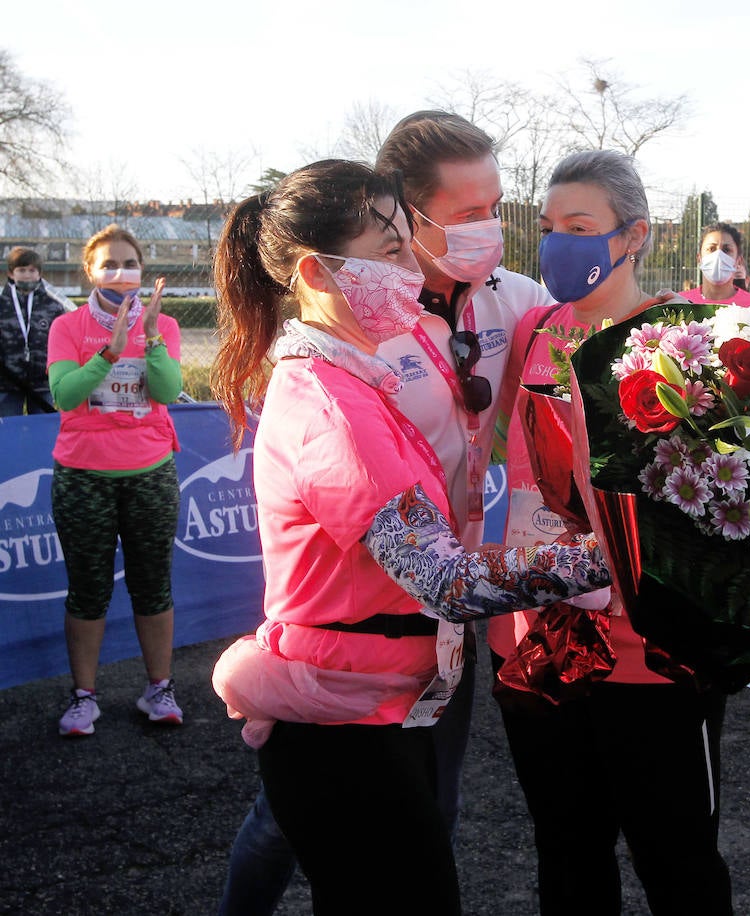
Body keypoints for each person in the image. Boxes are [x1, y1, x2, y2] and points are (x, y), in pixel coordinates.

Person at [209, 159, 608, 914]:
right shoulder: (330, 407)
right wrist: (611, 554)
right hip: (345, 730)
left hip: (383, 703)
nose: (411, 269)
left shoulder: (360, 375)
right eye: (390, 252)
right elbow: (445, 579)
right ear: (317, 274)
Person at [491, 149, 733, 915]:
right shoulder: (534, 330)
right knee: (566, 853)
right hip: (536, 642)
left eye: (581, 227)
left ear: (634, 237)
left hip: (650, 659)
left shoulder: (690, 344)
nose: (559, 243)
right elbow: (504, 440)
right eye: (550, 227)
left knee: (678, 862)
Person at [46, 226, 183, 737]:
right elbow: (63, 394)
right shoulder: (68, 327)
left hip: (149, 474)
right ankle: (84, 697)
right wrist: (108, 352)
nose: (120, 273)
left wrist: (147, 341)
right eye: (109, 264)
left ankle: (160, 689)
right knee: (88, 590)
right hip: (84, 478)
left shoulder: (163, 324)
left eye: (130, 263)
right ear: (90, 270)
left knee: (153, 585)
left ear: (143, 272)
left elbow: (167, 390)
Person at [1, 248, 68, 415]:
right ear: (11, 273)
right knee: (8, 432)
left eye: (32, 270)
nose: (27, 275)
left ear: (39, 274)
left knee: (42, 432)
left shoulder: (53, 306)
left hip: (42, 383)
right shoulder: (2, 305)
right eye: (21, 270)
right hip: (7, 383)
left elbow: (62, 344)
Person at [680, 221, 750, 311]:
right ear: (699, 259)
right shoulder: (680, 304)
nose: (718, 255)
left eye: (726, 250)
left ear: (738, 261)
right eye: (711, 249)